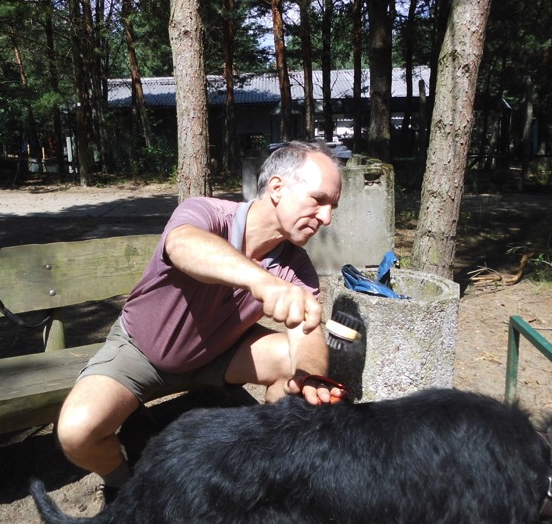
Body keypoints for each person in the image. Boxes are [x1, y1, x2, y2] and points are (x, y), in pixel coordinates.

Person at [56, 140, 344, 502]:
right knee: (77, 432)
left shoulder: (297, 267)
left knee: (296, 376)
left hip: (218, 352)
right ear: (276, 188)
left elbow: (307, 331)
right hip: (142, 350)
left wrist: (312, 377)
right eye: (318, 200)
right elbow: (183, 245)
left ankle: (260, 467)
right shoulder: (207, 213)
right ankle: (122, 483)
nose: (326, 218)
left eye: (332, 207)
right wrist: (262, 281)